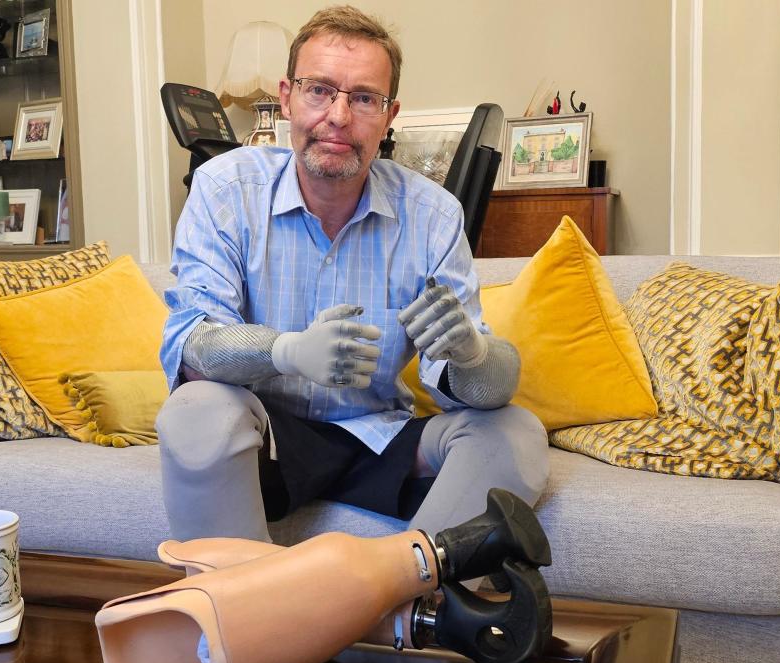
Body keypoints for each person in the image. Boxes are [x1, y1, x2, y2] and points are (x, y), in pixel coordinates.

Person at [155, 5, 548, 544]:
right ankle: (243, 607)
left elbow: (485, 390)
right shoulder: (226, 188)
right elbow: (193, 344)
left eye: (364, 98)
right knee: (194, 410)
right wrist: (286, 351)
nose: (338, 116)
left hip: (379, 437)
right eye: (319, 90)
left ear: (390, 115)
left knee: (515, 432)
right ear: (287, 96)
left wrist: (473, 357)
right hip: (265, 439)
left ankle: (400, 601)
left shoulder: (432, 215)